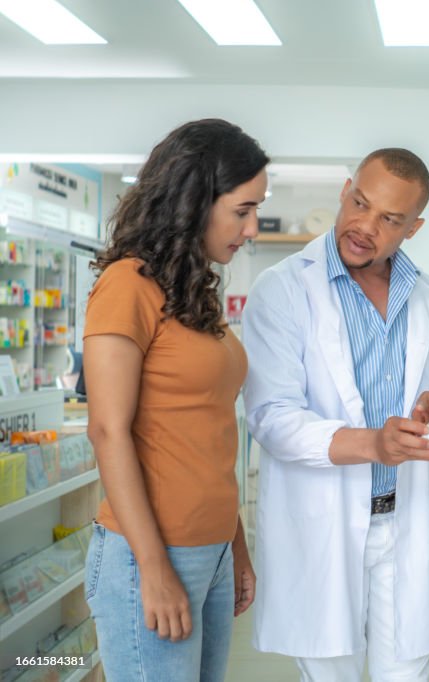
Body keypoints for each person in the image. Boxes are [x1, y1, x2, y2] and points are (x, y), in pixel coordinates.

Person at [242, 148, 429, 681]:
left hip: (402, 519)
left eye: (389, 219)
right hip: (322, 521)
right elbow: (272, 418)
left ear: (413, 227)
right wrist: (374, 444)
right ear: (346, 189)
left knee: (409, 673)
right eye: (360, 203)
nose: (364, 226)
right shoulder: (282, 290)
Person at [83, 118, 267, 682]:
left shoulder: (194, 293)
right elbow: (108, 431)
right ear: (194, 201)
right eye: (242, 210)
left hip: (208, 550)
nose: (253, 228)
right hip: (152, 556)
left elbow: (208, 435)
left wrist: (233, 543)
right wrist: (153, 567)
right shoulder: (126, 285)